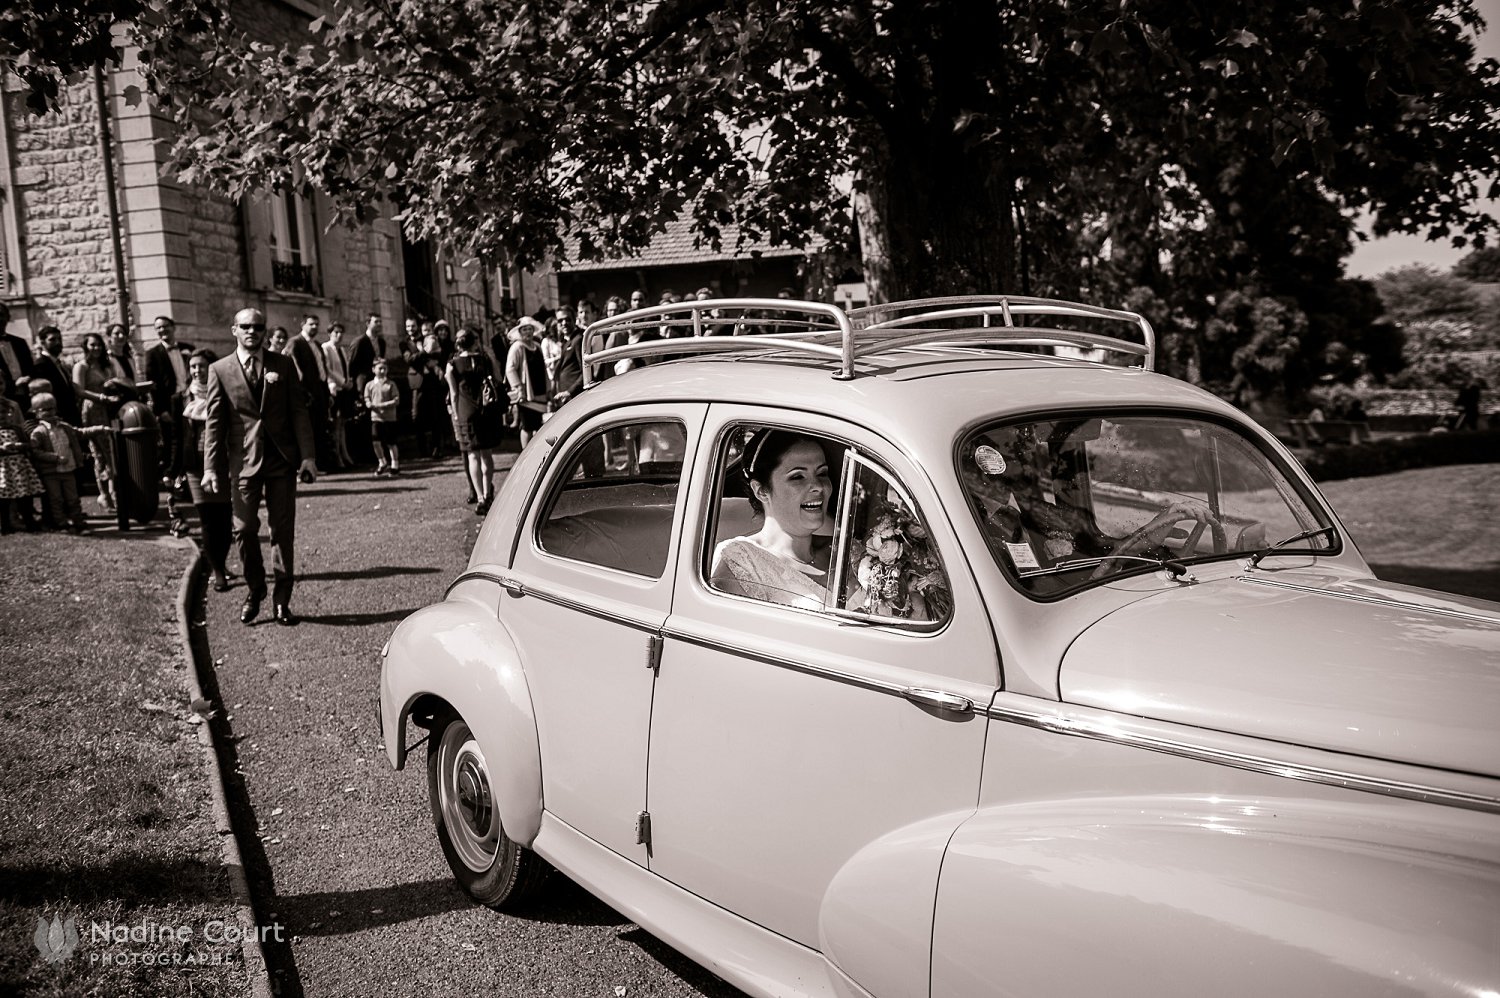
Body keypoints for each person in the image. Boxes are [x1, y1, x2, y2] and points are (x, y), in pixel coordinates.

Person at [202, 307, 317, 627]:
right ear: (234, 330)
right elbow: (214, 423)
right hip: (243, 463)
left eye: (258, 327)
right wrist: (211, 467)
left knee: (282, 532)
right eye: (245, 326)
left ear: (264, 331)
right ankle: (256, 589)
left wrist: (307, 456)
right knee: (244, 528)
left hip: (280, 461)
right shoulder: (220, 369)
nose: (252, 331)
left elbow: (298, 412)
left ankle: (282, 601)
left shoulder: (282, 363)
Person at [711, 429, 835, 610]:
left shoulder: (845, 551)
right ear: (761, 490)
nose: (818, 486)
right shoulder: (741, 560)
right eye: (798, 476)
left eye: (822, 473)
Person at [181, 349, 234, 592]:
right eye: (192, 366)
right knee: (207, 519)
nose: (196, 370)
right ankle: (218, 571)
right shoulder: (181, 398)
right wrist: (172, 471)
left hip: (222, 463)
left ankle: (220, 561)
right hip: (195, 465)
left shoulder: (226, 393)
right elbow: (176, 438)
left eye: (201, 366)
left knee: (224, 519)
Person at [145, 315, 194, 533]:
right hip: (169, 405)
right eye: (158, 328)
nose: (162, 330)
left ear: (174, 328)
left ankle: (189, 483)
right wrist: (160, 410)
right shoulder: (153, 354)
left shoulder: (187, 348)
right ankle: (175, 483)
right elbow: (152, 384)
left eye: (166, 326)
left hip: (190, 401)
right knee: (173, 444)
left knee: (191, 440)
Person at [446, 327, 503, 513]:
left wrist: (455, 414)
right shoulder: (484, 360)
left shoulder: (452, 364)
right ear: (474, 342)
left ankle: (480, 498)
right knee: (487, 454)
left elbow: (453, 393)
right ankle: (488, 493)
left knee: (472, 455)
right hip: (485, 410)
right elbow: (498, 378)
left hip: (465, 411)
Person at [72, 330, 129, 513]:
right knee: (100, 452)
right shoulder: (81, 366)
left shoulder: (106, 365)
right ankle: (105, 494)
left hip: (109, 409)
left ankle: (116, 493)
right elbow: (79, 390)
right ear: (86, 347)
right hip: (93, 409)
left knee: (114, 451)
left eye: (98, 345)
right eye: (92, 345)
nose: (96, 348)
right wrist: (102, 397)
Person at [27, 391, 89, 532]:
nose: (49, 412)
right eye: (44, 410)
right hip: (51, 472)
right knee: (56, 500)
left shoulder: (64, 427)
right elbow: (35, 452)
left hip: (68, 470)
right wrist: (54, 458)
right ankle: (61, 524)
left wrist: (101, 429)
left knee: (73, 498)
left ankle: (78, 522)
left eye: (52, 408)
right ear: (36, 413)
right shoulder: (38, 432)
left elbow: (80, 433)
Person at [286, 314, 333, 469]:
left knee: (320, 427)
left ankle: (321, 462)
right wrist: (303, 392)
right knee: (308, 428)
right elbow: (295, 371)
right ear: (302, 324)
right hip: (307, 394)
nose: (314, 327)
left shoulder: (317, 345)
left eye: (316, 324)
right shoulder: (295, 343)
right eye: (311, 324)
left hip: (320, 391)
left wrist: (326, 393)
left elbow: (322, 370)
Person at [0, 367, 43, 532]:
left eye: (1, 382)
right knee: (3, 494)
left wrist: (24, 444)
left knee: (25, 491)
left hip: (17, 458)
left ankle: (28, 520)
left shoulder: (13, 405)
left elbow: (22, 428)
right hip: (2, 461)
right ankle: (6, 524)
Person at [505, 317, 550, 447]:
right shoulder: (517, 347)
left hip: (540, 393)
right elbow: (510, 369)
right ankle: (526, 453)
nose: (528, 332)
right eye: (525, 329)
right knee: (527, 426)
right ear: (520, 331)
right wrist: (518, 387)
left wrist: (548, 389)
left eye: (530, 329)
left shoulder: (537, 346)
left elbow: (544, 368)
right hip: (526, 395)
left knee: (539, 426)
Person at [31, 326, 81, 427]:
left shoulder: (59, 364)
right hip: (57, 419)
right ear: (42, 342)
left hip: (70, 418)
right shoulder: (41, 365)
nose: (58, 343)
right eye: (52, 339)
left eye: (59, 339)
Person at [322, 321, 356, 469]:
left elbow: (345, 367)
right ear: (330, 333)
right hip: (334, 389)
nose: (339, 335)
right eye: (336, 332)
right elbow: (328, 369)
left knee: (342, 423)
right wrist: (342, 382)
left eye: (341, 332)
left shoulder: (342, 349)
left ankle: (345, 454)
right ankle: (337, 458)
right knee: (336, 424)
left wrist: (349, 381)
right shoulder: (326, 348)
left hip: (344, 390)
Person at [364, 359, 402, 476]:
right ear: (373, 370)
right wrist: (369, 404)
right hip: (376, 417)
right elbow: (367, 398)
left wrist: (383, 405)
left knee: (391, 442)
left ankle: (395, 464)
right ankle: (382, 462)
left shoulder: (391, 384)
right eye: (380, 368)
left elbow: (396, 400)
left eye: (384, 368)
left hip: (389, 418)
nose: (382, 371)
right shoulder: (370, 385)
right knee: (376, 442)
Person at [0, 301, 35, 396]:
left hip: (26, 396)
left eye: (1, 315)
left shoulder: (20, 342)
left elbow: (31, 368)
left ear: (8, 318)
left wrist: (28, 379)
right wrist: (14, 385)